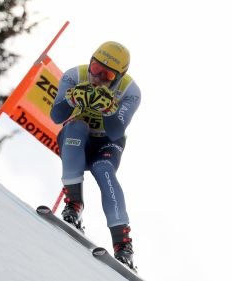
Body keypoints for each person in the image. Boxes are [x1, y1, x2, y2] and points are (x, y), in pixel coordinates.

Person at [50, 41, 141, 269]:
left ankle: (123, 245)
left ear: (119, 77)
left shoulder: (130, 92)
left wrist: (109, 109)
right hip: (79, 136)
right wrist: (71, 98)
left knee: (104, 170)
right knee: (75, 128)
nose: (97, 77)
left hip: (107, 143)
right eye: (95, 68)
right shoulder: (75, 75)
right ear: (89, 62)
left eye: (107, 74)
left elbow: (116, 131)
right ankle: (74, 205)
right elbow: (56, 116)